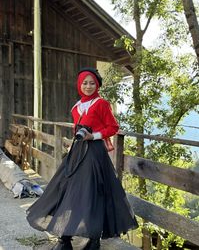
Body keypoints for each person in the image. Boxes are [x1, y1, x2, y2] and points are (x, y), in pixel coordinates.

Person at [26, 67, 138, 250]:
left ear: (97, 85)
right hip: (76, 152)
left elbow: (113, 127)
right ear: (79, 85)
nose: (88, 86)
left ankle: (93, 241)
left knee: (91, 194)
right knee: (66, 190)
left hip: (94, 154)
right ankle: (65, 239)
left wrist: (92, 136)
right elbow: (75, 131)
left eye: (92, 83)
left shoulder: (101, 103)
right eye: (84, 83)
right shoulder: (76, 106)